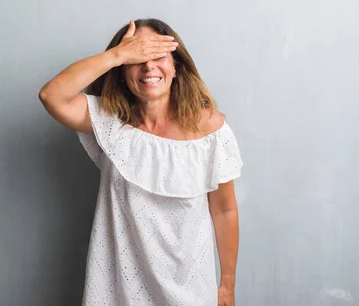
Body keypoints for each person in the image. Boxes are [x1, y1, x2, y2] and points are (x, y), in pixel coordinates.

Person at [38, 18, 243, 306]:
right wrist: (117, 55)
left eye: (158, 56)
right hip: (117, 290)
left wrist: (227, 286)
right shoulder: (108, 122)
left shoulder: (209, 129)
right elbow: (51, 96)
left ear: (176, 67)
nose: (148, 67)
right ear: (121, 72)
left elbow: (224, 210)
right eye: (138, 57)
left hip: (192, 290)